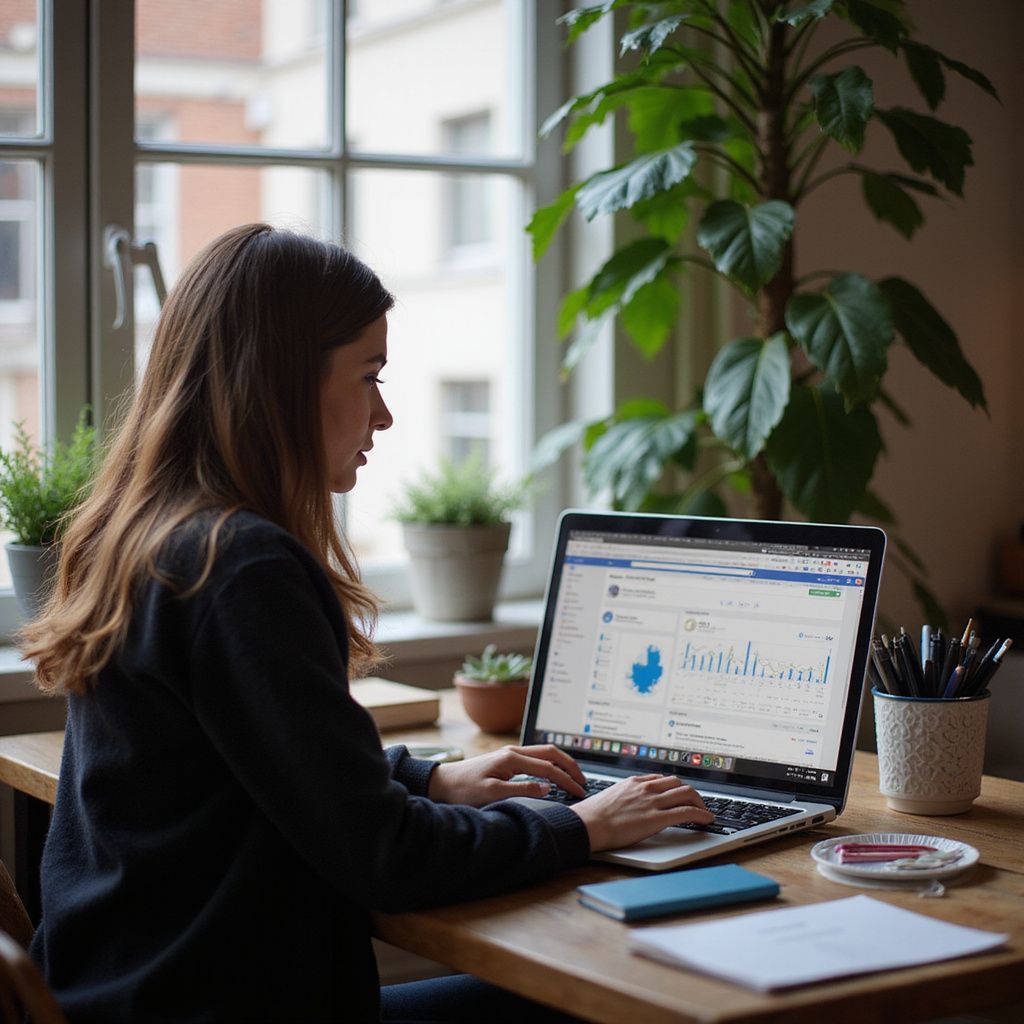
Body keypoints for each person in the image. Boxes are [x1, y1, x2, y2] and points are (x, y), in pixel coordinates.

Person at [21, 223, 713, 1024]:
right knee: (609, 1004)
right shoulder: (241, 566)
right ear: (282, 381)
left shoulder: (146, 535)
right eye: (370, 375)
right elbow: (387, 860)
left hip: (117, 991)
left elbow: (250, 771)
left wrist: (427, 779)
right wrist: (579, 826)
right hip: (206, 1006)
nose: (382, 415)